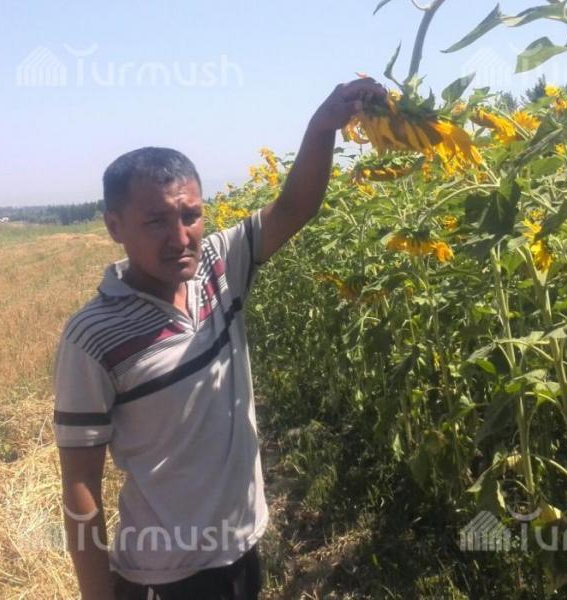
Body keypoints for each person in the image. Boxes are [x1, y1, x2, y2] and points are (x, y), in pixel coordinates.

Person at [52, 76, 386, 600]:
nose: (180, 237)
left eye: (191, 216)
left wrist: (323, 127)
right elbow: (80, 487)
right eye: (156, 221)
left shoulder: (218, 265)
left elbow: (294, 208)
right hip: (166, 577)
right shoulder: (92, 338)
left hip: (241, 547)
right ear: (115, 226)